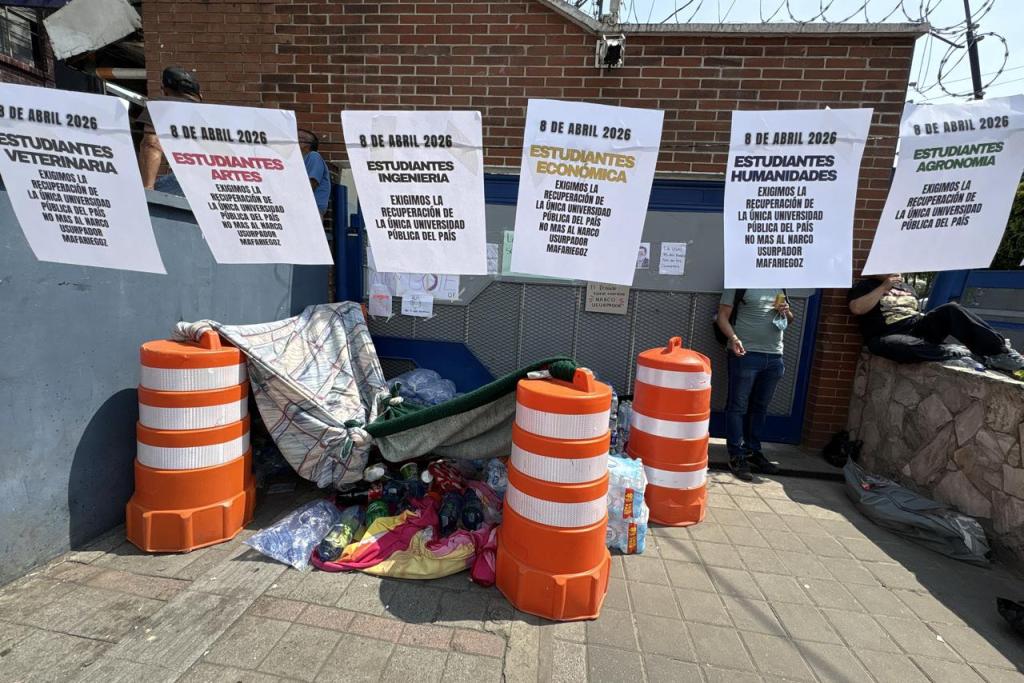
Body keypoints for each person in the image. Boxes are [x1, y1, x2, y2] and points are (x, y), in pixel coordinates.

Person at [848, 273, 1024, 372]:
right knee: (900, 345)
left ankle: (999, 353)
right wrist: (883, 287)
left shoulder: (907, 288)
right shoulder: (866, 286)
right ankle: (953, 352)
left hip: (917, 325)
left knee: (951, 308)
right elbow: (857, 308)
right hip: (887, 334)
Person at [717, 289, 793, 481]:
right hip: (745, 353)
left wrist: (786, 311)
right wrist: (733, 339)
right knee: (738, 406)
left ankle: (753, 451)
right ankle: (737, 455)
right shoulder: (739, 282)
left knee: (760, 407)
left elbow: (789, 319)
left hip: (775, 355)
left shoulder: (779, 284)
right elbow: (722, 317)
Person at [137, 67, 202, 190]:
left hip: (186, 181)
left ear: (165, 90)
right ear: (199, 93)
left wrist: (148, 188)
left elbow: (151, 144)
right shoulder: (211, 114)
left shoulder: (162, 106)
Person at [299, 129, 331, 217]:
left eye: (300, 138)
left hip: (311, 210)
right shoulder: (297, 162)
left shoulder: (313, 156)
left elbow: (310, 186)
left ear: (309, 145)